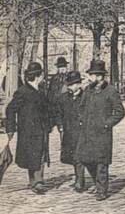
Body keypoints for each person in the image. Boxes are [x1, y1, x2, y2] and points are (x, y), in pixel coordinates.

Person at [75, 59, 125, 201]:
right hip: (87, 132)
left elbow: (120, 111)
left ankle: (102, 190)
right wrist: (82, 119)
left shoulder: (111, 91)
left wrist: (106, 124)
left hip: (102, 134)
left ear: (101, 76)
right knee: (87, 160)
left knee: (101, 163)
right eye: (91, 75)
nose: (92, 78)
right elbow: (81, 107)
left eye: (95, 75)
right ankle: (98, 184)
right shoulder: (88, 90)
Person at [4, 62, 52, 194]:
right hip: (28, 131)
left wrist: (49, 125)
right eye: (41, 74)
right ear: (38, 76)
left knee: (40, 154)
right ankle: (36, 182)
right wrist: (11, 128)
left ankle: (37, 181)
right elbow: (10, 110)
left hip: (41, 130)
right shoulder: (22, 92)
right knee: (33, 155)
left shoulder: (41, 92)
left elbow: (47, 110)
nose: (42, 77)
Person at [55, 70, 86, 191]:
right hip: (67, 131)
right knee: (72, 156)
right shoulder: (63, 98)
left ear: (79, 84)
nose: (70, 87)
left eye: (72, 84)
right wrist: (60, 126)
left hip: (81, 131)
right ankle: (79, 179)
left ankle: (80, 182)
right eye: (69, 85)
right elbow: (58, 113)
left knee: (79, 156)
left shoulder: (85, 97)